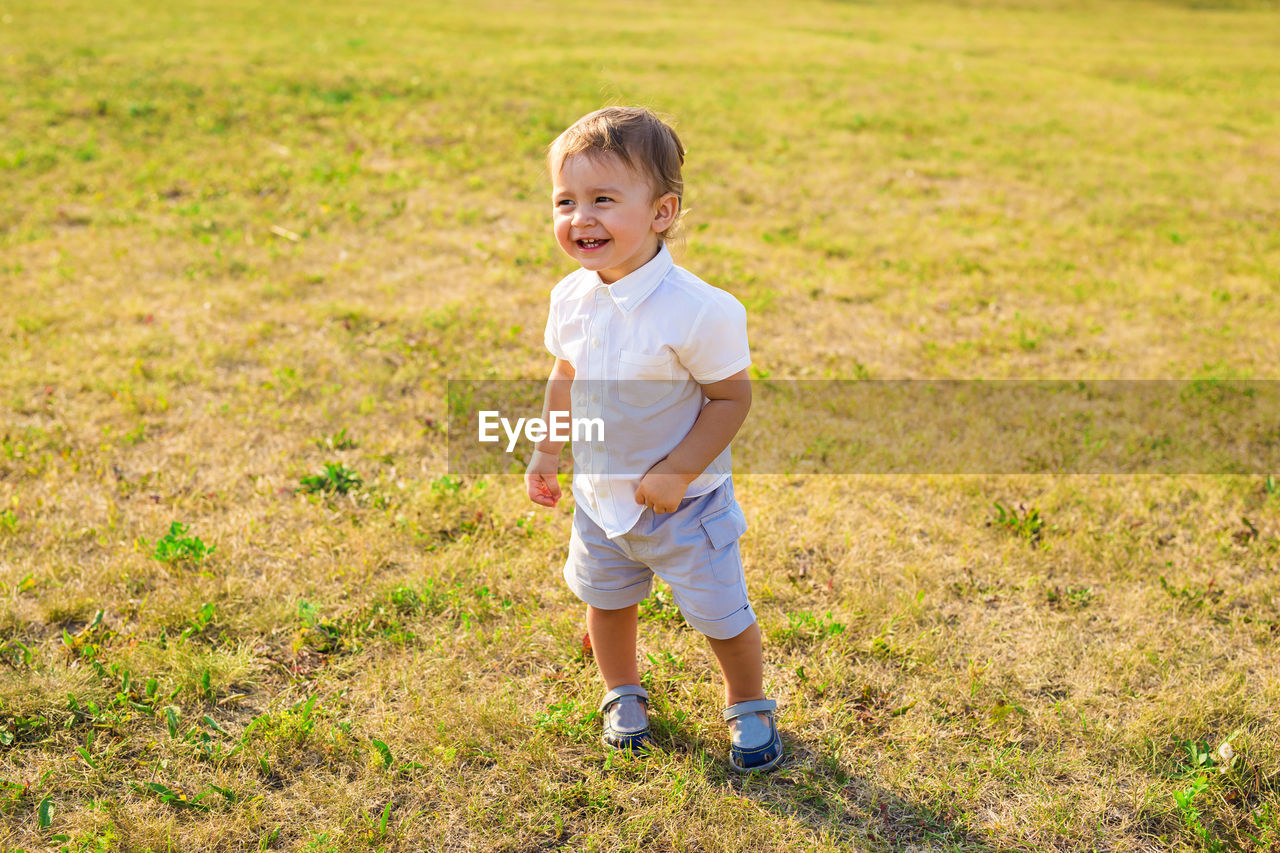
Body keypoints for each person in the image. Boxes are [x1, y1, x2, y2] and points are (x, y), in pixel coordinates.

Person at [524, 106, 783, 773]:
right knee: (606, 602)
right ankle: (622, 692)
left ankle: (748, 702)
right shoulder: (570, 298)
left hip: (687, 506)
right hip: (602, 499)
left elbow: (732, 398)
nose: (581, 217)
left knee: (722, 613)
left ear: (662, 211)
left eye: (603, 200)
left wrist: (677, 468)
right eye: (566, 200)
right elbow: (565, 377)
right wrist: (547, 450)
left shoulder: (701, 310)